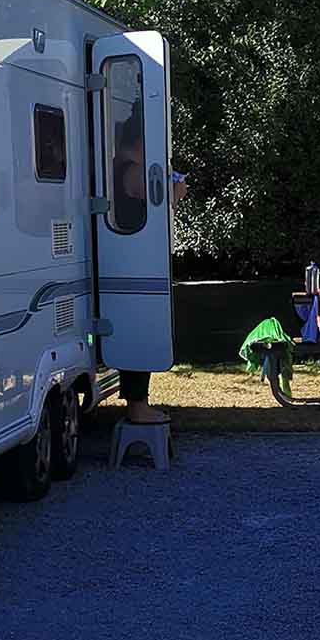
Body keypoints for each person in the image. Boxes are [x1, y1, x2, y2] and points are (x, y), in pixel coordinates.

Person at [110, 112, 188, 425]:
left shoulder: (117, 165)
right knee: (139, 332)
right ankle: (137, 406)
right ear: (141, 141)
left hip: (128, 260)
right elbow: (158, 199)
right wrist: (176, 194)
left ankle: (138, 403)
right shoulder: (130, 170)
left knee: (137, 329)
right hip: (131, 261)